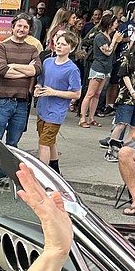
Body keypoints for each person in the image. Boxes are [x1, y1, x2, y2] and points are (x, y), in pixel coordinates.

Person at [0, 14, 42, 187]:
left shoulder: (32, 49)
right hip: (2, 100)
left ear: (29, 30)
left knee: (13, 144)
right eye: (19, 26)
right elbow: (1, 70)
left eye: (25, 27)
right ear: (13, 26)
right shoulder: (2, 47)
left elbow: (37, 69)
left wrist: (15, 66)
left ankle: (3, 176)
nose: (21, 29)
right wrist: (27, 70)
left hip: (21, 102)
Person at [34, 30, 82, 172]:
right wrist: (38, 88)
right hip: (43, 108)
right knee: (50, 141)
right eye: (58, 43)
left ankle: (43, 175)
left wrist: (54, 92)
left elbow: (76, 93)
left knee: (43, 144)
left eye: (64, 44)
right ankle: (55, 169)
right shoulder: (48, 62)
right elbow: (40, 81)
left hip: (56, 112)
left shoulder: (72, 69)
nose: (59, 46)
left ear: (71, 48)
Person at [79, 12, 119, 127]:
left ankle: (91, 117)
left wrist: (115, 41)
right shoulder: (99, 36)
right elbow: (107, 51)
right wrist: (114, 40)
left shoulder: (109, 36)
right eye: (115, 23)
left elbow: (112, 51)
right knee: (90, 93)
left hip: (107, 68)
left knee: (98, 94)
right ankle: (82, 118)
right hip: (98, 67)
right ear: (110, 24)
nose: (116, 25)